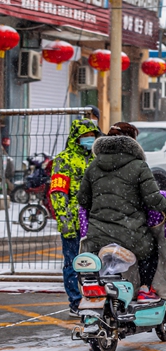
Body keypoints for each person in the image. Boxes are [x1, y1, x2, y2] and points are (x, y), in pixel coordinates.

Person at [77, 122, 166, 302]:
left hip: (98, 235)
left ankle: (100, 289)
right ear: (132, 141)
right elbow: (153, 200)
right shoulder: (139, 165)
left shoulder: (94, 165)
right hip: (131, 235)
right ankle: (144, 288)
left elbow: (83, 200)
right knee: (150, 250)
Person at [50, 118, 101, 316]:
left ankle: (95, 297)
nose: (89, 139)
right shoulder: (64, 159)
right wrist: (65, 221)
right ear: (76, 138)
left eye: (92, 136)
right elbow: (58, 193)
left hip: (96, 221)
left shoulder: (97, 159)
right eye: (85, 136)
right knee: (73, 263)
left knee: (96, 263)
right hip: (73, 221)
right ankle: (76, 302)